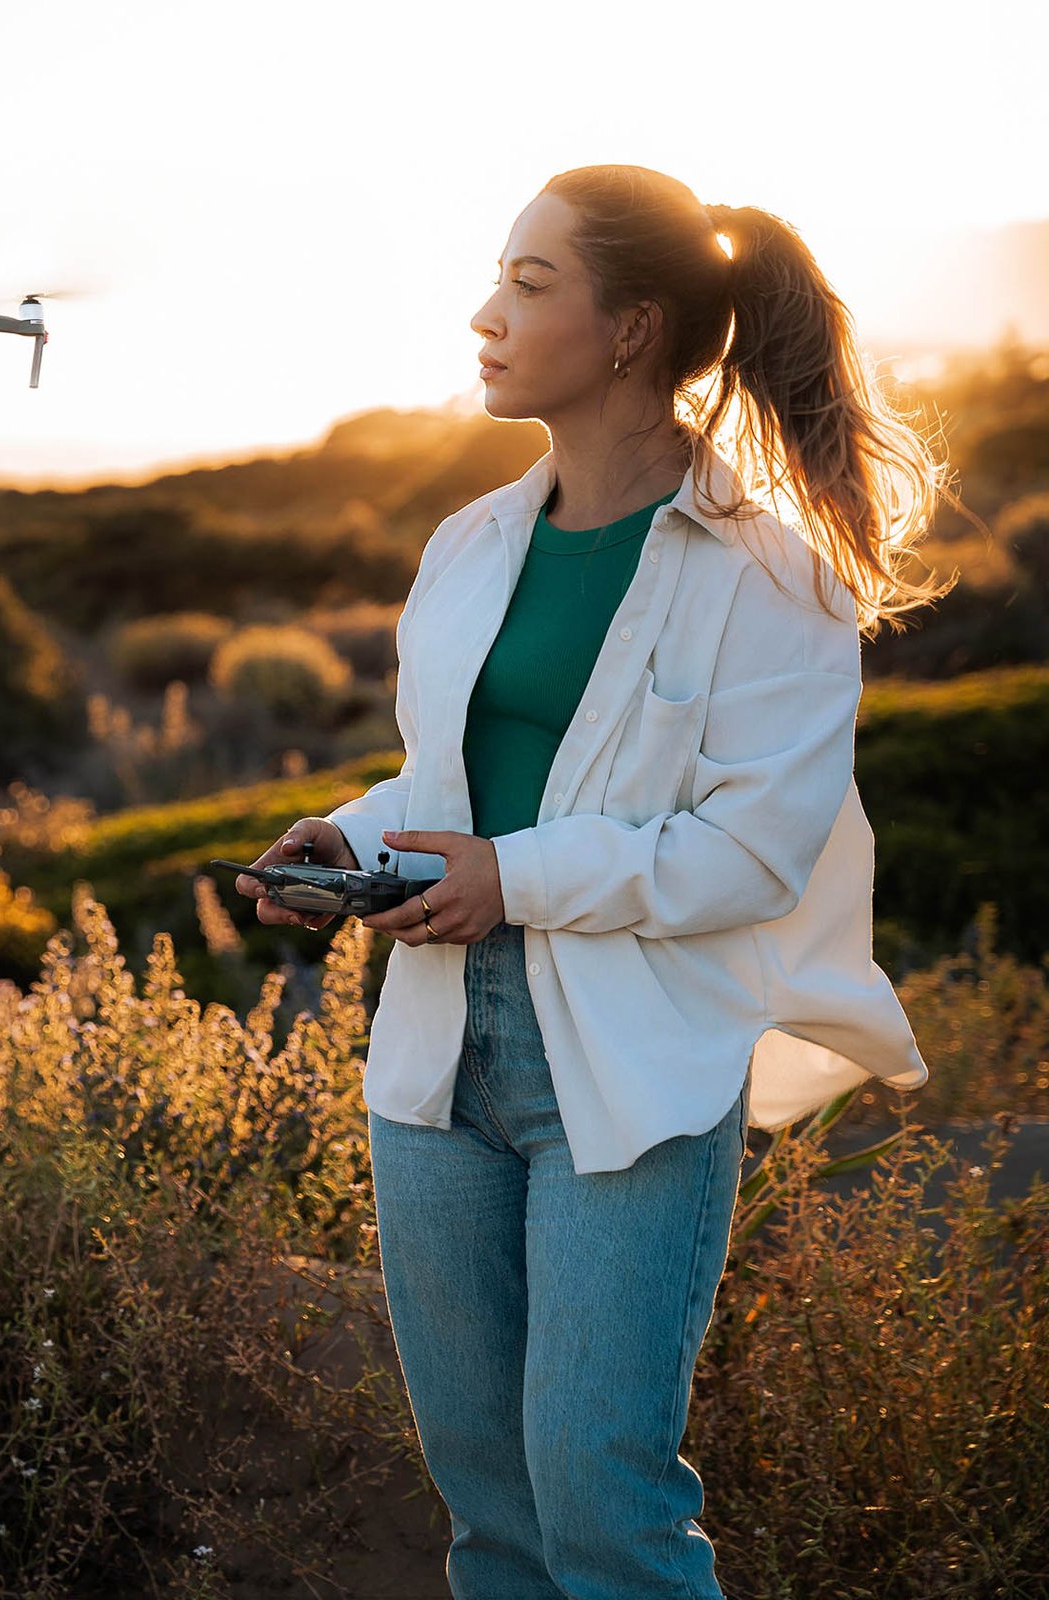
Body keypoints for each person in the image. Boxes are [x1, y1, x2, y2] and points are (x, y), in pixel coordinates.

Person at [232, 164, 957, 1598]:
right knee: (492, 1514)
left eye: (529, 284)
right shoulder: (469, 544)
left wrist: (514, 877)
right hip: (436, 1067)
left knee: (602, 1509)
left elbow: (750, 854)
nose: (486, 315)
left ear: (631, 329)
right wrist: (352, 840)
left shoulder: (773, 573)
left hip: (628, 1074)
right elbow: (456, 786)